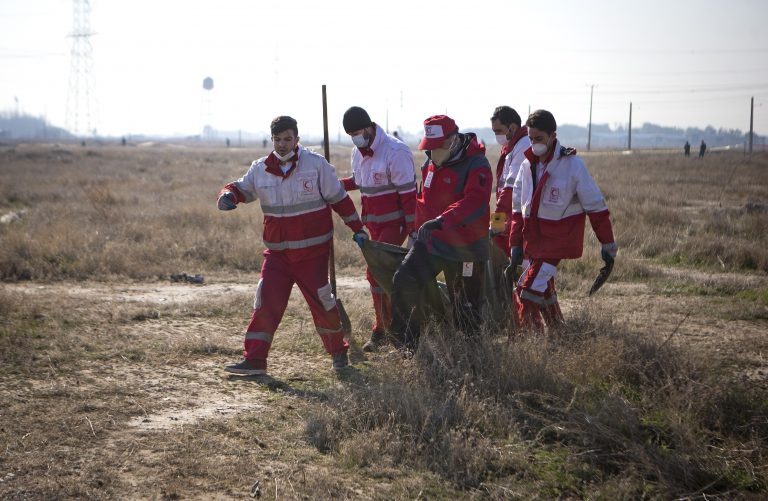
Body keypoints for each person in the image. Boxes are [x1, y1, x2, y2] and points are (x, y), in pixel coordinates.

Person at [217, 115, 367, 376]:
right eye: (277, 139)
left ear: (297, 139)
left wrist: (358, 229)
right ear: (271, 139)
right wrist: (227, 196)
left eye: (288, 139)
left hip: (312, 255)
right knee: (265, 304)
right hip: (277, 256)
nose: (282, 144)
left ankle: (339, 354)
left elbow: (340, 200)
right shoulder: (260, 169)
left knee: (323, 305)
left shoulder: (316, 165)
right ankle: (255, 361)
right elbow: (239, 188)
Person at [508, 110, 617, 333]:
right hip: (534, 242)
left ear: (552, 135)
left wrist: (608, 245)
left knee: (527, 291)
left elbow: (596, 208)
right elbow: (517, 210)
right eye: (530, 138)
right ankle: (560, 334)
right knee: (543, 290)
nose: (534, 143)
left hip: (557, 243)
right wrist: (516, 244)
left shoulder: (572, 166)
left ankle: (528, 346)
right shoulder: (526, 167)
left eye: (539, 138)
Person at [389, 115, 492, 350]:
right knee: (404, 281)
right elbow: (423, 201)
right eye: (430, 146)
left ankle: (471, 358)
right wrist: (416, 231)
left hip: (467, 248)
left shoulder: (477, 165)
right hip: (432, 242)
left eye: (437, 146)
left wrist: (441, 220)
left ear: (453, 140)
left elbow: (475, 201)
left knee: (465, 307)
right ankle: (406, 346)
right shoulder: (430, 164)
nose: (432, 152)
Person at [340, 106, 417, 352]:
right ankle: (385, 328)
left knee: (379, 275)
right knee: (377, 276)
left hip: (395, 224)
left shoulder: (396, 152)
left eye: (358, 131)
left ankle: (390, 330)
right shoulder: (357, 152)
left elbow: (408, 195)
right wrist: (333, 184)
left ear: (370, 126)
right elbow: (358, 181)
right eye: (351, 133)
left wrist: (413, 230)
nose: (356, 137)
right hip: (372, 225)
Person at [490, 106, 530, 256]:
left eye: (498, 131)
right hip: (511, 212)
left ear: (512, 127)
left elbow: (510, 188)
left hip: (518, 213)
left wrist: (496, 220)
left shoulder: (523, 146)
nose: (497, 136)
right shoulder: (510, 146)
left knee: (524, 268)